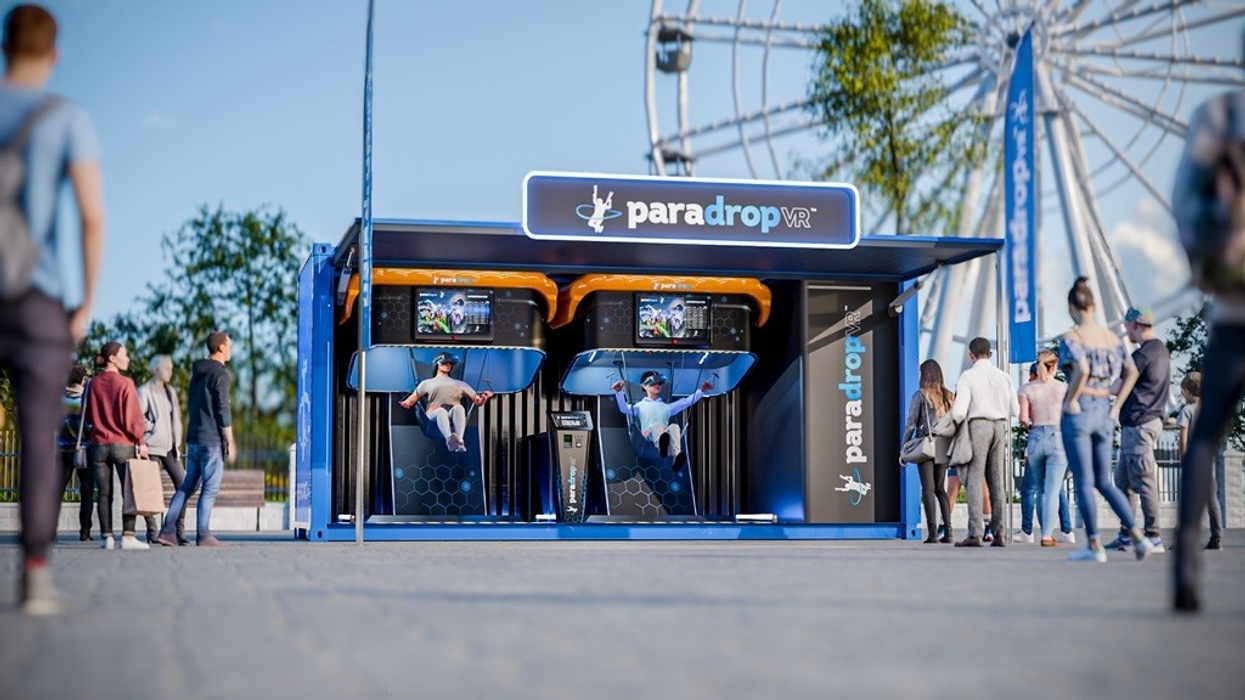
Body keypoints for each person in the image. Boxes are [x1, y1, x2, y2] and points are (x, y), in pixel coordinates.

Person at [0, 3, 104, 614]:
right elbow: (92, 217)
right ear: (56, 52)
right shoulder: (66, 117)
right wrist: (84, 303)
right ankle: (35, 573)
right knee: (40, 438)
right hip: (37, 299)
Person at [1170, 69, 1245, 611]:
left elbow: (1184, 196)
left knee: (1204, 440)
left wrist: (1203, 263)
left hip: (1233, 309)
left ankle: (1186, 569)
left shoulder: (1221, 116)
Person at [1059, 277, 1154, 563]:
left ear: (1072, 307)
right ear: (1095, 305)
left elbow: (1082, 369)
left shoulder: (1072, 338)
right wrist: (1115, 408)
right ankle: (1138, 536)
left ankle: (1094, 544)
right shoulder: (1113, 339)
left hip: (1081, 408)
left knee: (1084, 481)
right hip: (1105, 409)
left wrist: (1071, 399)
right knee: (1105, 481)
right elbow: (1131, 373)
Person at [156, 332, 235, 548]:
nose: (231, 349)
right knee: (209, 488)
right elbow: (222, 409)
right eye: (229, 345)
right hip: (211, 440)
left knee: (188, 485)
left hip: (194, 437)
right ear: (220, 348)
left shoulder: (198, 373)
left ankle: (168, 530)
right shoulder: (220, 374)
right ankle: (204, 534)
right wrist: (231, 440)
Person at [1106, 307, 1171, 553]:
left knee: (1143, 480)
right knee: (1123, 480)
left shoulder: (1142, 355)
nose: (1125, 331)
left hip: (1139, 423)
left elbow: (1116, 387)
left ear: (1134, 324)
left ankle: (1153, 535)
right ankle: (1127, 534)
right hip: (1145, 422)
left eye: (1126, 326)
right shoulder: (1161, 351)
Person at [949, 337, 1018, 547]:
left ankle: (975, 533)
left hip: (978, 426)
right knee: (997, 481)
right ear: (990, 353)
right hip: (1000, 426)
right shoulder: (1004, 376)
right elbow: (1015, 410)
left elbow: (959, 411)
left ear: (971, 355)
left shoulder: (968, 376)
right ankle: (1000, 534)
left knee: (974, 479)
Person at [84, 341, 150, 551]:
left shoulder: (92, 384)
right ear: (112, 358)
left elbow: (87, 416)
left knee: (103, 492)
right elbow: (133, 419)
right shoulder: (126, 384)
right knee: (128, 490)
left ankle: (107, 537)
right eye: (125, 354)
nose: (128, 358)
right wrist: (141, 442)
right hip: (123, 444)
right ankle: (128, 537)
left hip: (99, 444)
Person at [1016, 351, 1076, 547]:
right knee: (1053, 490)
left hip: (1036, 438)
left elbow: (1023, 418)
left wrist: (1032, 426)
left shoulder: (1026, 389)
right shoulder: (1064, 388)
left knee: (1040, 490)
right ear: (1055, 365)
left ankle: (1043, 532)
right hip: (1058, 437)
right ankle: (1047, 535)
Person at [611, 370, 711, 472]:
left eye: (659, 383)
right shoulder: (640, 406)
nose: (657, 385)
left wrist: (702, 390)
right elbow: (624, 409)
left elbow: (686, 402)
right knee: (657, 426)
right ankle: (661, 446)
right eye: (653, 383)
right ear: (644, 386)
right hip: (648, 436)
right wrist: (619, 392)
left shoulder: (667, 407)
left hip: (666, 436)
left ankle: (676, 457)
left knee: (674, 427)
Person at [900, 359, 955, 543]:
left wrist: (904, 449)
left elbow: (910, 424)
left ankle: (932, 533)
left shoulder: (921, 395)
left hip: (926, 445)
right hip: (944, 445)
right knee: (941, 489)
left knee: (928, 489)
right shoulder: (949, 396)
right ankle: (948, 531)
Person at [398, 352, 494, 452]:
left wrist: (484, 397)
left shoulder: (460, 384)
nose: (448, 365)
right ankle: (450, 439)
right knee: (441, 412)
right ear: (437, 364)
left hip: (453, 415)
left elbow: (478, 402)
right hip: (433, 416)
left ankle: (459, 441)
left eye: (450, 364)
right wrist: (406, 403)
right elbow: (412, 399)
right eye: (445, 363)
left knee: (459, 408)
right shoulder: (427, 383)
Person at [138, 354, 188, 545]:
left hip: (171, 447)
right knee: (148, 489)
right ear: (155, 370)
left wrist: (176, 439)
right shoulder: (144, 391)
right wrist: (153, 427)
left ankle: (177, 529)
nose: (170, 371)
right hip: (151, 446)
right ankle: (152, 530)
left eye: (171, 368)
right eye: (166, 368)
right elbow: (137, 419)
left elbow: (175, 418)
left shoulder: (171, 392)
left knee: (184, 485)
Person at [1176, 372, 1222, 551]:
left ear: (1188, 391)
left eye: (1182, 392)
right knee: (1212, 501)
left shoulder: (1187, 410)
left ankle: (1187, 540)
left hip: (1192, 459)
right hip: (1207, 458)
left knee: (1189, 501)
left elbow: (1183, 438)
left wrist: (1183, 457)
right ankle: (1217, 538)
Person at [56, 364, 94, 541]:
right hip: (83, 450)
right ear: (82, 379)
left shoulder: (59, 398)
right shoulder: (86, 400)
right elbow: (90, 425)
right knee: (86, 492)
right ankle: (85, 532)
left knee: (57, 491)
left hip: (63, 449)